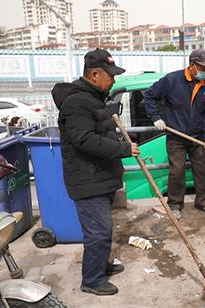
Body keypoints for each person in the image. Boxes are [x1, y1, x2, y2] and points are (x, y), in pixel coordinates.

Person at [52, 48, 140, 296]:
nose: (114, 80)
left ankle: (100, 265)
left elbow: (98, 132)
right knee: (98, 232)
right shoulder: (77, 103)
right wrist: (123, 149)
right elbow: (84, 140)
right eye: (110, 75)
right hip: (88, 179)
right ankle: (91, 280)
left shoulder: (94, 98)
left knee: (103, 229)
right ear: (94, 74)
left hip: (100, 176)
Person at [144, 49, 205, 219]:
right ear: (192, 65)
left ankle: (203, 201)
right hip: (176, 136)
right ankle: (175, 204)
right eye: (202, 68)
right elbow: (149, 96)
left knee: (201, 169)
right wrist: (156, 118)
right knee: (176, 170)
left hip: (197, 136)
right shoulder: (172, 80)